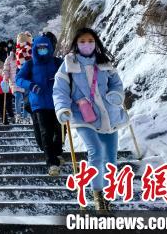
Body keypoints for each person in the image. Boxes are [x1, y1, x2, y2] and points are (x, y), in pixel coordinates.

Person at [53, 27, 128, 212]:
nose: (87, 44)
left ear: (96, 42)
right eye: (82, 41)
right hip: (83, 114)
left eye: (90, 41)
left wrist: (116, 96)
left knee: (110, 157)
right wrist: (62, 108)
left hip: (108, 113)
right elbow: (60, 88)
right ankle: (98, 196)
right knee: (96, 151)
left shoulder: (104, 62)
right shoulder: (68, 63)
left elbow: (117, 84)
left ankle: (108, 193)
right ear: (76, 44)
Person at [16, 35, 63, 176]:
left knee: (59, 130)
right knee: (44, 133)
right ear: (35, 49)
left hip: (57, 102)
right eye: (39, 48)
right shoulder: (29, 64)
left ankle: (56, 153)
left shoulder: (57, 62)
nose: (42, 50)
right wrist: (31, 85)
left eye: (45, 47)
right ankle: (52, 163)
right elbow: (18, 79)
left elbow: (68, 76)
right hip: (38, 104)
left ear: (50, 48)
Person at [4, 33, 30, 124]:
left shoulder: (26, 53)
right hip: (14, 81)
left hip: (25, 80)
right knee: (18, 97)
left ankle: (26, 117)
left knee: (27, 99)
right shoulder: (10, 58)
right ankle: (18, 115)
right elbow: (6, 69)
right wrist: (5, 78)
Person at [0, 60, 14, 125]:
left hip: (8, 92)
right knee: (1, 107)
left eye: (0, 67)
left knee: (8, 105)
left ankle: (12, 116)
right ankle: (5, 120)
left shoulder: (6, 73)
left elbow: (11, 81)